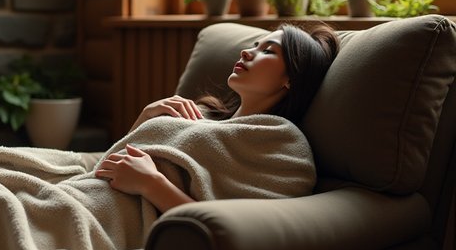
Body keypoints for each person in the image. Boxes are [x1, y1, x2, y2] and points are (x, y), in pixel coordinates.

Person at [95, 23, 340, 213]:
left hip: (114, 213)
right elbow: (113, 163)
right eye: (254, 45)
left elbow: (234, 230)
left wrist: (151, 184)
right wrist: (145, 117)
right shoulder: (201, 115)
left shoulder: (282, 144)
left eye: (267, 51)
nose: (246, 52)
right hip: (93, 190)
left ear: (291, 79)